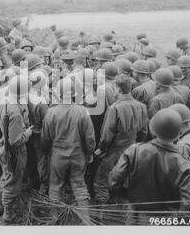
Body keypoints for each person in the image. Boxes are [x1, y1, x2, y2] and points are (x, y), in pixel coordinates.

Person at [109, 108, 190, 216]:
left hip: (136, 216)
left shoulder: (134, 151)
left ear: (153, 129)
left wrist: (126, 196)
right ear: (178, 134)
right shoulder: (185, 166)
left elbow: (114, 180)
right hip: (166, 222)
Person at [41, 78, 96, 223]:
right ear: (74, 94)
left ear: (58, 94)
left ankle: (55, 218)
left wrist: (47, 153)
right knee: (79, 185)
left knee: (55, 186)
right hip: (78, 154)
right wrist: (89, 153)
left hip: (57, 154)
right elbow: (89, 137)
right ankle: (86, 221)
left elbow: (45, 138)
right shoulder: (83, 111)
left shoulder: (51, 112)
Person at [93, 74, 148, 204]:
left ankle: (102, 211)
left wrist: (102, 149)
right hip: (132, 148)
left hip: (115, 150)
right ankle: (119, 204)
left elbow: (107, 134)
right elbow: (144, 131)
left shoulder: (114, 108)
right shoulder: (141, 106)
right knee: (124, 178)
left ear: (117, 89)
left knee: (101, 181)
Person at [0, 75, 33, 224]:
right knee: (13, 182)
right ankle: (8, 214)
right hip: (14, 153)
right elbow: (16, 141)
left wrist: (5, 132)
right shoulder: (15, 112)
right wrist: (26, 133)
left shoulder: (5, 102)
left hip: (4, 148)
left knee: (5, 177)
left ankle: (0, 204)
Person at [27, 70, 50, 193]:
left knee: (31, 158)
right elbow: (47, 122)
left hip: (28, 132)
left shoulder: (25, 96)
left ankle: (32, 182)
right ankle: (43, 186)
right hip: (40, 133)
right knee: (42, 160)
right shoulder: (41, 103)